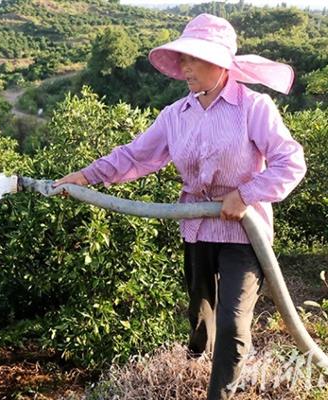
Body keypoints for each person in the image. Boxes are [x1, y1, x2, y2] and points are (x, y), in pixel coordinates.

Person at [52, 13, 306, 400]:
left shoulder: (253, 108)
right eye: (182, 58)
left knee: (234, 324)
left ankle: (219, 393)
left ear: (219, 63)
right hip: (197, 227)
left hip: (244, 231)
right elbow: (136, 156)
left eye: (193, 58)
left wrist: (245, 195)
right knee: (201, 318)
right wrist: (87, 176)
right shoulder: (175, 115)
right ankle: (193, 366)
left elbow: (291, 162)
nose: (184, 67)